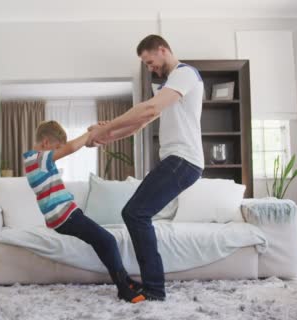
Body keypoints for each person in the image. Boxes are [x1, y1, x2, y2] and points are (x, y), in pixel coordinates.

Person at [86, 34, 204, 301]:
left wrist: (108, 126)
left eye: (150, 62)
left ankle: (154, 288)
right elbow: (141, 122)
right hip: (178, 161)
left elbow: (149, 108)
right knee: (136, 213)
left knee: (136, 213)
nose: (150, 68)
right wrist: (106, 135)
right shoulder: (170, 84)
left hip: (184, 160)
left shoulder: (186, 74)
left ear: (163, 50)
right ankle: (153, 286)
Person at [22, 120, 144, 303]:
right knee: (108, 240)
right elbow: (71, 147)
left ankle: (125, 281)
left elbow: (72, 147)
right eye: (56, 149)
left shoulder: (36, 161)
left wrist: (92, 132)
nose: (57, 153)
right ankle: (123, 289)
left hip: (65, 215)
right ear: (46, 143)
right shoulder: (37, 158)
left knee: (101, 241)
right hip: (64, 215)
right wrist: (92, 133)